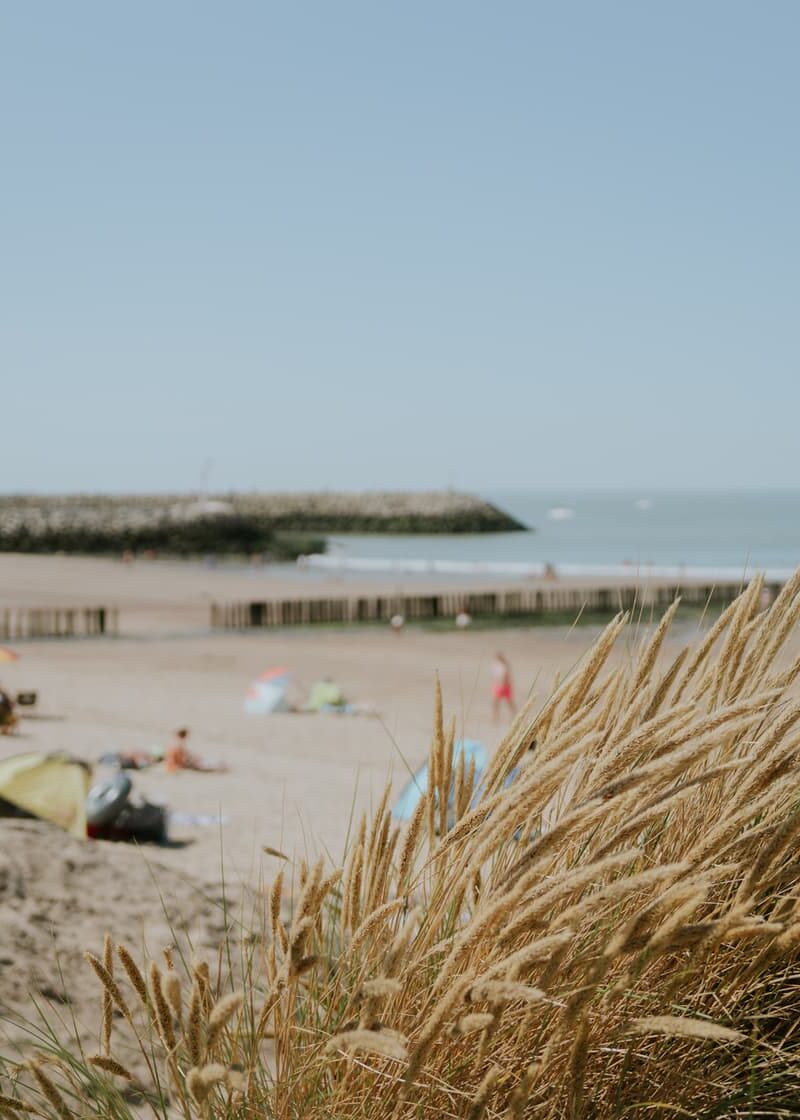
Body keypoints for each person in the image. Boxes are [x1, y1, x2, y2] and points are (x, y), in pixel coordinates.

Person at [164, 728, 229, 774]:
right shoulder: (177, 745)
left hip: (184, 764)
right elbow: (177, 759)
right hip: (183, 765)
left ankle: (221, 765)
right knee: (206, 764)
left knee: (204, 762)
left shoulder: (176, 744)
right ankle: (221, 766)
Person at [491, 653, 516, 721]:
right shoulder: (496, 666)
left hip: (505, 686)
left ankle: (514, 715)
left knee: (509, 702)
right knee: (496, 702)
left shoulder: (505, 666)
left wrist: (504, 684)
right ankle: (495, 717)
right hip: (498, 686)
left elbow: (507, 677)